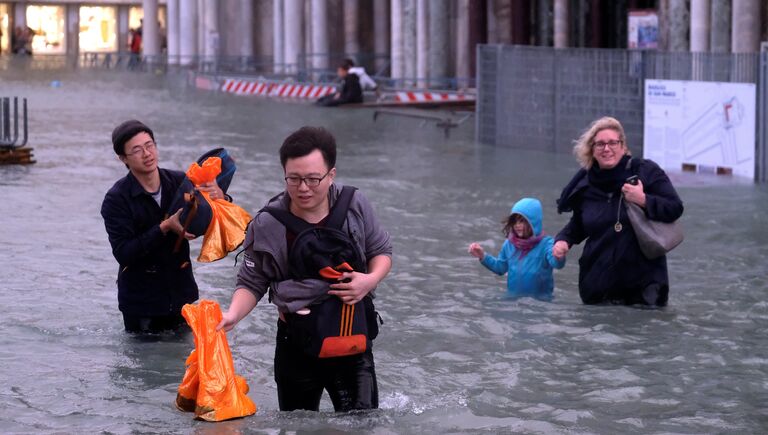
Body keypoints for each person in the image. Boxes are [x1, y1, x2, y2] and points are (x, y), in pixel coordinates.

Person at [217, 126, 392, 412]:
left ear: (331, 174)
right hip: (295, 344)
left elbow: (381, 251)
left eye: (313, 179)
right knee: (297, 426)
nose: (303, 188)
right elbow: (252, 280)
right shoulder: (268, 222)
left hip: (352, 343)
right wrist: (233, 314)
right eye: (294, 179)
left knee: (362, 426)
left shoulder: (354, 205)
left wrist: (369, 280)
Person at [101, 120, 225, 333]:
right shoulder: (116, 199)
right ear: (123, 159)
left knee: (181, 363)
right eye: (137, 150)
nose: (147, 154)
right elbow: (124, 253)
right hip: (141, 304)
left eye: (150, 146)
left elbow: (209, 222)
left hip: (181, 295)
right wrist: (164, 227)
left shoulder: (180, 182)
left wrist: (220, 199)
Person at [552, 116, 684, 306]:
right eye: (600, 144)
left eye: (613, 142)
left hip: (645, 288)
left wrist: (644, 200)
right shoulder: (585, 184)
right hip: (598, 286)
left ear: (623, 146)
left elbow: (675, 208)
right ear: (592, 150)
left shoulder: (645, 171)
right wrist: (563, 240)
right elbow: (579, 224)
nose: (607, 149)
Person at [468, 198, 565, 301]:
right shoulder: (509, 244)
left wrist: (559, 256)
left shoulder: (546, 244)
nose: (517, 225)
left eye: (522, 221)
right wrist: (483, 256)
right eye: (514, 221)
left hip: (540, 303)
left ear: (534, 222)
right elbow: (500, 268)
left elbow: (557, 264)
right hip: (513, 301)